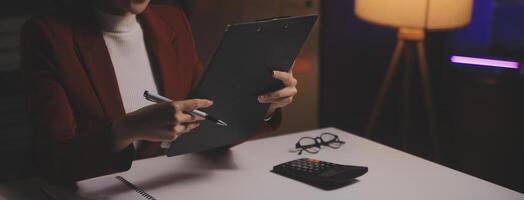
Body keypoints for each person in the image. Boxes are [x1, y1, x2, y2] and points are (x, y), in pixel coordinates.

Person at [21, 0, 298, 182]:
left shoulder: (171, 19)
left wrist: (262, 106)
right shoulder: (48, 34)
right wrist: (128, 129)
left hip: (175, 181)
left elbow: (205, 125)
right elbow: (53, 161)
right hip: (105, 187)